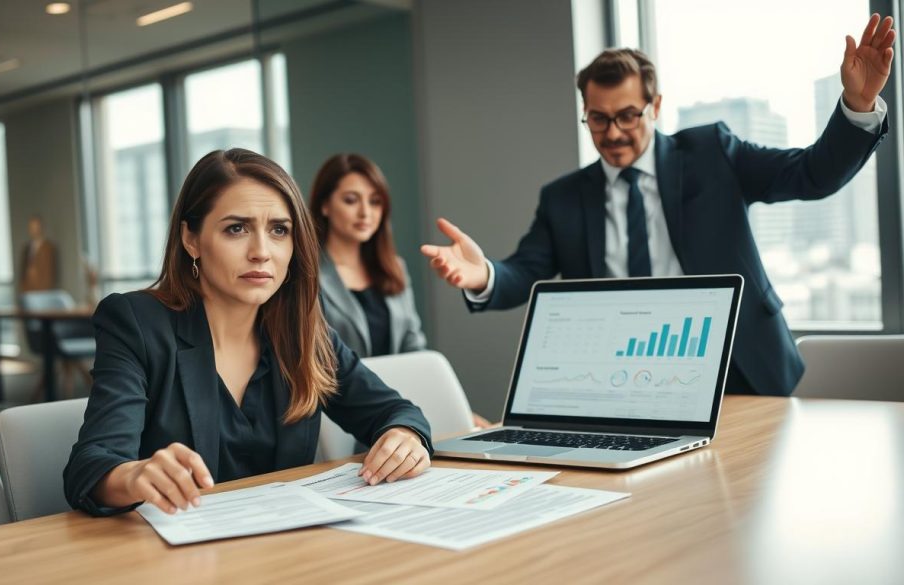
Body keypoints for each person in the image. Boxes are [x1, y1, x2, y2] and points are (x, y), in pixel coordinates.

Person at [421, 15, 895, 397]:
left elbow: (811, 175)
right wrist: (482, 274)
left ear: (656, 106)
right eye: (598, 119)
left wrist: (857, 104)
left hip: (740, 370)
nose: (612, 133)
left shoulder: (712, 154)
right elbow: (524, 272)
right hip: (626, 384)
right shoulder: (563, 198)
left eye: (628, 115)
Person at [64, 149, 432, 517]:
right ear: (191, 239)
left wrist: (404, 436)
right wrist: (133, 475)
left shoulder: (302, 330)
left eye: (279, 230)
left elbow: (396, 411)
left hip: (285, 550)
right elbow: (91, 465)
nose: (261, 252)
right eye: (236, 228)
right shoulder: (137, 323)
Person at [309, 153, 492, 428]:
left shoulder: (394, 268)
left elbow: (416, 355)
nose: (365, 212)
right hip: (335, 418)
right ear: (324, 205)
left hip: (395, 413)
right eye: (350, 200)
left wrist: (456, 411)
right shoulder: (308, 276)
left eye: (375, 201)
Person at [18, 215, 58, 293]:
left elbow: (50, 273)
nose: (33, 230)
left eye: (36, 227)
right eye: (31, 227)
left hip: (43, 291)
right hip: (28, 290)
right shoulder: (26, 248)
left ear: (41, 228)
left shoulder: (49, 248)